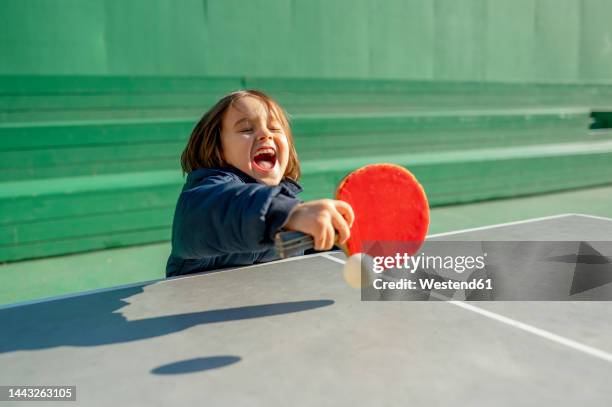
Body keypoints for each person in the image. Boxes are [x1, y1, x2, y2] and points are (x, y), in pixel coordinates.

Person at [166, 90, 354, 277]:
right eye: (246, 129)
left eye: (274, 128)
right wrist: (288, 213)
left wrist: (335, 238)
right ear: (218, 149)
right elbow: (215, 213)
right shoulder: (206, 198)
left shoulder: (287, 205)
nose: (265, 134)